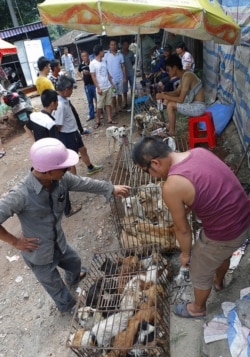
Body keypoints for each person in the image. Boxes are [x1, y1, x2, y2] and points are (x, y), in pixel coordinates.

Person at [0, 137, 130, 313]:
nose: (68, 168)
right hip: (38, 253)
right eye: (63, 167)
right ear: (48, 172)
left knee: (74, 262)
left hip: (59, 242)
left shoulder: (60, 179)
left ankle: (73, 278)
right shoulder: (21, 194)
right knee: (55, 285)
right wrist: (15, 241)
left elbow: (85, 183)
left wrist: (110, 188)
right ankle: (68, 307)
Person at [132, 136, 250, 319]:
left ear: (155, 163)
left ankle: (197, 308)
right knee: (221, 254)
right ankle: (218, 282)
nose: (152, 177)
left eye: (148, 172)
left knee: (199, 265)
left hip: (227, 232)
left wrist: (186, 254)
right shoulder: (198, 152)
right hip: (244, 218)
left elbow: (183, 230)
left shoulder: (172, 185)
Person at [24, 89, 81, 218]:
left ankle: (47, 206)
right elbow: (57, 143)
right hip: (50, 157)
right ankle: (68, 209)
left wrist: (35, 142)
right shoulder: (50, 123)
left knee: (41, 179)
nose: (57, 105)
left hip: (39, 155)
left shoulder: (34, 115)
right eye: (56, 102)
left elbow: (26, 127)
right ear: (52, 103)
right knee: (60, 180)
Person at [54, 75, 103, 175]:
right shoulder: (60, 105)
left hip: (73, 132)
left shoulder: (64, 100)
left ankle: (90, 167)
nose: (72, 92)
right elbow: (58, 125)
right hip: (68, 135)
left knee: (83, 149)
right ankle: (74, 180)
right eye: (71, 89)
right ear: (66, 89)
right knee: (71, 159)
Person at [156, 54, 206, 136]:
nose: (168, 72)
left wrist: (164, 96)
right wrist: (165, 93)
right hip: (195, 105)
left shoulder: (187, 77)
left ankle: (172, 131)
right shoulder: (184, 76)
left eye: (168, 70)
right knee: (169, 101)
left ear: (175, 68)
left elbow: (180, 99)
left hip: (199, 107)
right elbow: (177, 92)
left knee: (170, 105)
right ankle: (169, 125)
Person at [90, 44, 118, 129]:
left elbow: (107, 73)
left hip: (108, 86)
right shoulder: (93, 63)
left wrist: (111, 83)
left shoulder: (104, 61)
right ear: (99, 52)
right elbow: (93, 76)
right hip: (101, 87)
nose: (104, 52)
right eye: (102, 51)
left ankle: (109, 119)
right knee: (99, 106)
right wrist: (98, 88)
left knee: (108, 104)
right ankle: (98, 121)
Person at [104, 39, 126, 115]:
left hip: (120, 78)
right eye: (112, 45)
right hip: (112, 80)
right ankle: (114, 108)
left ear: (116, 45)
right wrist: (108, 76)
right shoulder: (106, 55)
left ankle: (120, 107)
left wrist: (124, 77)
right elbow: (104, 67)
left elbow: (123, 66)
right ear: (109, 46)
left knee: (120, 94)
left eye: (114, 44)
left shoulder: (120, 55)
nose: (113, 46)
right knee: (113, 95)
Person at [77, 50, 97, 122]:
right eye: (82, 56)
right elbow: (78, 71)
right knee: (90, 101)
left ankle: (100, 113)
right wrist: (82, 77)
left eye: (85, 56)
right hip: (87, 85)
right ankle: (91, 115)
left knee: (97, 99)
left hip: (94, 84)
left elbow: (95, 73)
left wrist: (89, 74)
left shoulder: (92, 63)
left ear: (88, 56)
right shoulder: (81, 65)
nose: (84, 57)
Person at [121, 39, 135, 110]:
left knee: (133, 87)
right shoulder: (120, 54)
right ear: (122, 45)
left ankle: (133, 101)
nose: (126, 46)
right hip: (124, 74)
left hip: (131, 72)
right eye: (125, 45)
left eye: (127, 45)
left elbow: (133, 62)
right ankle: (126, 103)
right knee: (124, 89)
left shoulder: (131, 53)